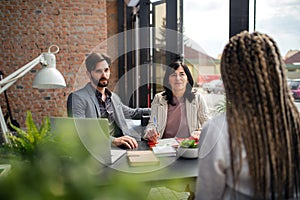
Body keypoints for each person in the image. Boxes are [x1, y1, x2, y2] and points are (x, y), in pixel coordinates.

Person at [196, 31, 300, 199]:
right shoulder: (295, 124)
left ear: (230, 79)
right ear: (277, 71)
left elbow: (207, 195)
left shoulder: (218, 131)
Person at [71, 53, 150, 149]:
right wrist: (113, 140)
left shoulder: (114, 98)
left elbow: (133, 113)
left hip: (122, 147)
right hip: (96, 150)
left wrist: (161, 107)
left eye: (106, 70)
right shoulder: (78, 98)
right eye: (98, 71)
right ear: (89, 74)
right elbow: (80, 130)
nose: (104, 75)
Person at [144, 61, 210, 143]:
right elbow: (152, 123)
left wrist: (200, 132)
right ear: (168, 80)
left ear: (188, 79)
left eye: (182, 74)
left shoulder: (197, 98)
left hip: (189, 146)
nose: (178, 78)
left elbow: (208, 125)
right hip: (164, 145)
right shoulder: (159, 98)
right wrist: (150, 132)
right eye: (173, 75)